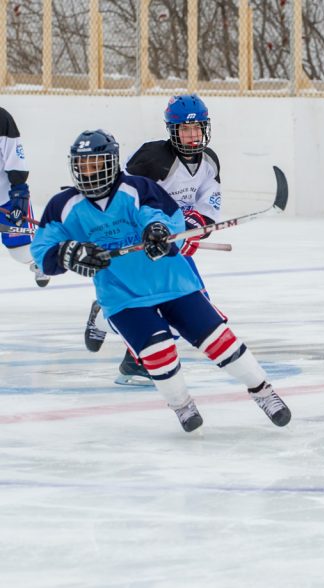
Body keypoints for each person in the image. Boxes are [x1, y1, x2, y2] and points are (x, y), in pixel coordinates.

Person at [31, 129, 291, 433]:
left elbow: (165, 217)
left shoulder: (137, 188)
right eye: (83, 165)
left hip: (173, 284)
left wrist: (158, 232)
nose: (89, 172)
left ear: (112, 162)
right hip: (122, 297)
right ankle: (182, 405)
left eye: (96, 163)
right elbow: (42, 250)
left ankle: (263, 392)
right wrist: (67, 253)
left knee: (218, 339)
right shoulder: (64, 205)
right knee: (158, 350)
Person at [83, 94, 221, 386]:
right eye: (185, 129)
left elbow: (208, 205)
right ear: (172, 130)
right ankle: (113, 328)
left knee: (192, 309)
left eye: (197, 128)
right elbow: (121, 195)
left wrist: (193, 228)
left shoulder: (209, 161)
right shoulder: (152, 158)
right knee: (149, 307)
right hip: (141, 245)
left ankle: (125, 348)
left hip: (171, 248)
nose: (192, 135)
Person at [0, 107, 50, 287]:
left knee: (21, 252)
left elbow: (14, 156)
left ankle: (39, 258)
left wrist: (19, 193)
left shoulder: (2, 119)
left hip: (5, 199)